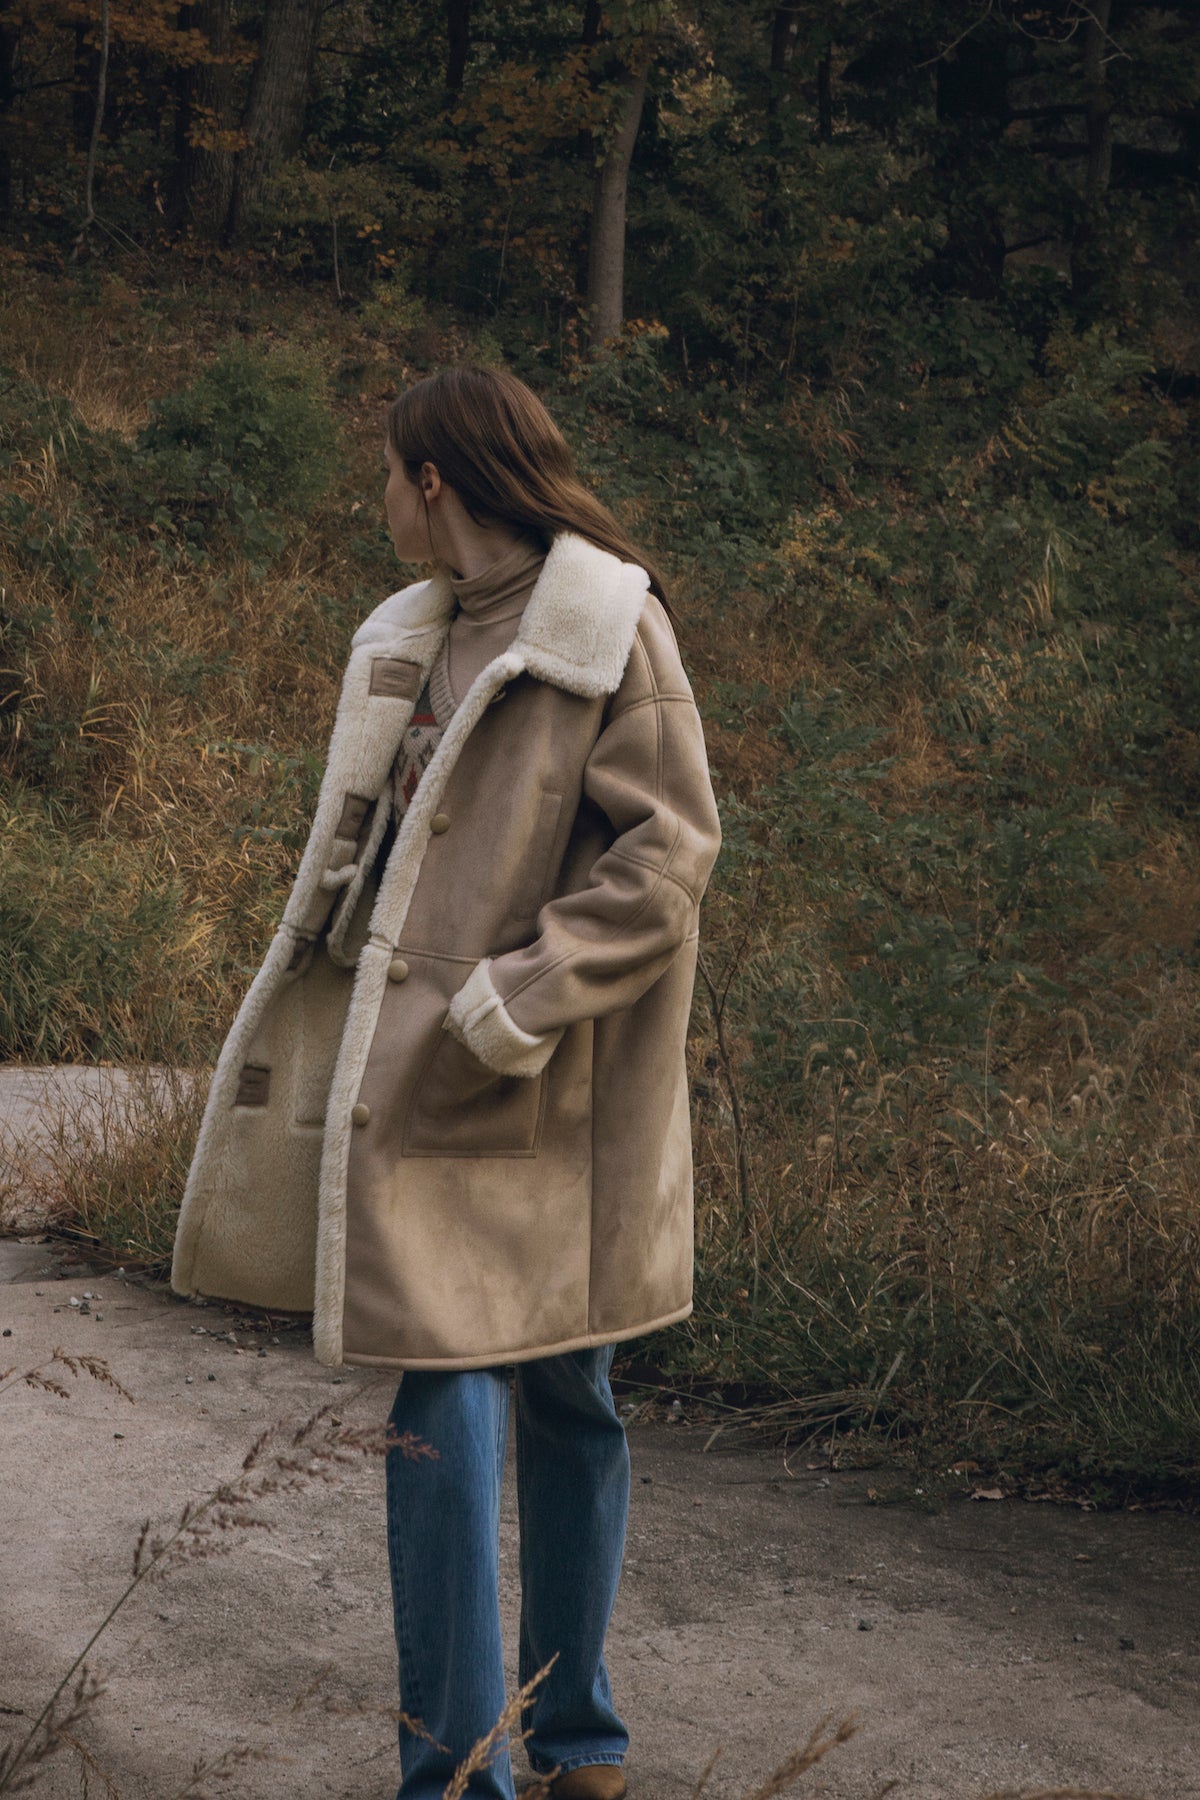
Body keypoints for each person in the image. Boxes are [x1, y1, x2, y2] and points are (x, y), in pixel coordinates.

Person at [171, 365, 722, 1800]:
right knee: (447, 1393)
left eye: (387, 475)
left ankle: (579, 1739)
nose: (378, 499)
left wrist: (509, 1003)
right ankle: (464, 1770)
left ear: (437, 483)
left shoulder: (613, 626)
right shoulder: (408, 634)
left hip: (551, 1080)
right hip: (419, 1083)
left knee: (571, 1392)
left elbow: (665, 862)